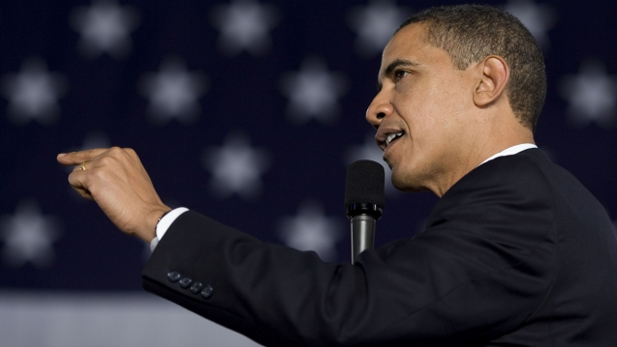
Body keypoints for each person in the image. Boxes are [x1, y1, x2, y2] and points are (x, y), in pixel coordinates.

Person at [57, 4, 617, 346]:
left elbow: (345, 315)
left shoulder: (521, 207)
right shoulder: (526, 205)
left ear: (487, 81)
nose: (375, 107)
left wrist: (157, 221)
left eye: (401, 75)